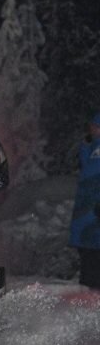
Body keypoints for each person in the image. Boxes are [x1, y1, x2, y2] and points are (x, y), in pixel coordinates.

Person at [70, 112, 100, 288]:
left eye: (96, 127)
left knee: (93, 251)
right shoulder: (91, 147)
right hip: (87, 210)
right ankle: (89, 289)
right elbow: (85, 168)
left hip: (94, 209)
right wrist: (85, 147)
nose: (92, 130)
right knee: (88, 250)